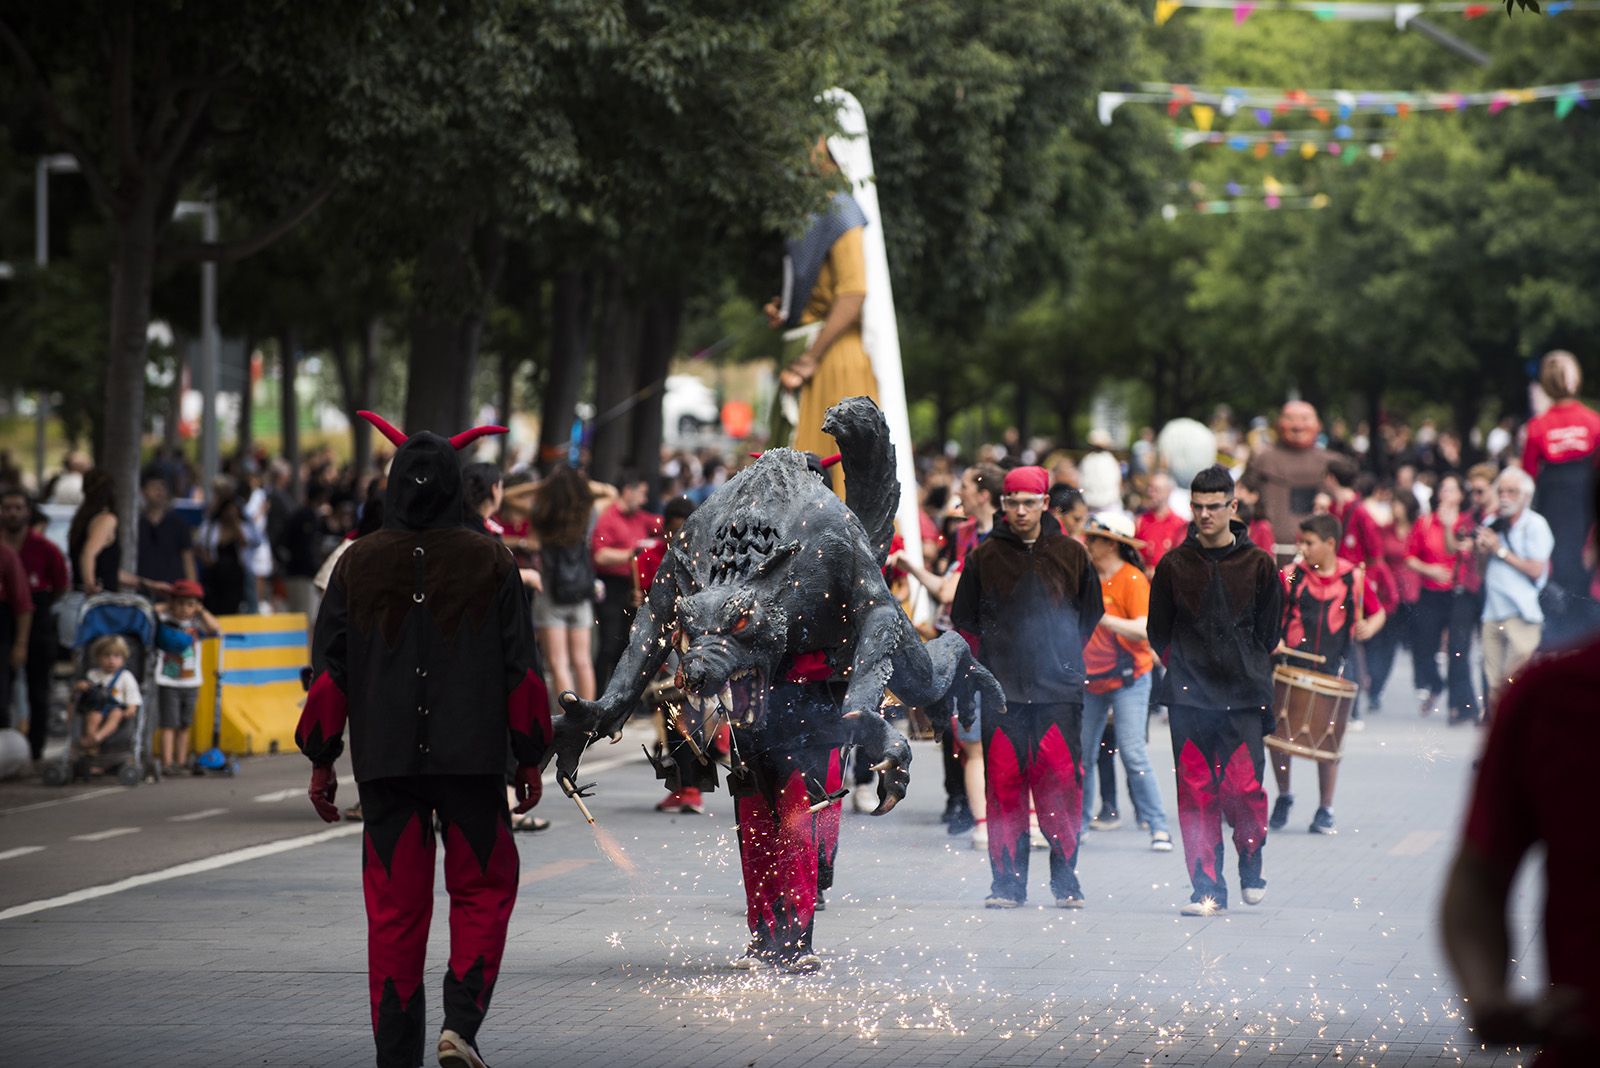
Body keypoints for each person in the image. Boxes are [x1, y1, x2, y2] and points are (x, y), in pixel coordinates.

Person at [296, 411, 549, 1068]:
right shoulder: (492, 558)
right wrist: (530, 756)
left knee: (395, 910)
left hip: (386, 761)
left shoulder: (356, 562)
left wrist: (322, 758)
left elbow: (332, 673)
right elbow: (520, 669)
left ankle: (395, 1056)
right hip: (471, 759)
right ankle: (460, 1025)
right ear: (459, 489)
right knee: (484, 888)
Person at [1440, 498, 1600, 1063]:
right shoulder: (1549, 699)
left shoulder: (1545, 693)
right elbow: (1476, 881)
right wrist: (1488, 999)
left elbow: (1474, 882)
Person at [952, 465, 1104, 908]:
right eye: (1013, 502)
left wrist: (1063, 659)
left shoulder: (1073, 554)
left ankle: (1066, 881)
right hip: (1002, 693)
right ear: (1002, 505)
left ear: (1044, 504)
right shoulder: (984, 557)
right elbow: (966, 621)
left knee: (1060, 785)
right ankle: (1006, 884)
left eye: (1029, 502)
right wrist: (982, 672)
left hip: (1059, 692)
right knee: (1003, 787)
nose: (1021, 511)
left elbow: (1088, 613)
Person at [1148, 465, 1282, 916]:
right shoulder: (1172, 564)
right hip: (1188, 696)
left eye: (1214, 506)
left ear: (1232, 507)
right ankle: (1206, 889)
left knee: (1243, 791)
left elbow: (1269, 633)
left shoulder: (1261, 563)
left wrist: (1243, 666)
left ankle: (1250, 856)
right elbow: (1158, 632)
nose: (1205, 515)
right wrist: (1187, 670)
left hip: (1244, 695)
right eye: (1198, 506)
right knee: (1196, 795)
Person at [764, 138, 878, 498]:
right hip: (812, 354)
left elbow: (852, 293)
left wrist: (810, 359)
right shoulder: (818, 211)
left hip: (830, 360)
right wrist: (786, 308)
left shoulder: (842, 210)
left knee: (825, 480)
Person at [1270, 514, 1385, 836]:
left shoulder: (1354, 578)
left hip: (1333, 668)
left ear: (1330, 543)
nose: (1302, 549)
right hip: (1292, 667)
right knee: (1279, 739)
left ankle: (1325, 808)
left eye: (1309, 543)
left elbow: (1378, 613)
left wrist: (1368, 627)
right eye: (1300, 543)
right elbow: (1271, 613)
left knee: (1328, 741)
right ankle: (1284, 795)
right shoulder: (1291, 576)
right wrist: (1273, 639)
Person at [1078, 514, 1172, 853]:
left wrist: (1100, 617)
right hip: (1091, 680)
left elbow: (1145, 630)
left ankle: (1159, 826)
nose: (1087, 544)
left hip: (1131, 678)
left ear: (1111, 543)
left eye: (1094, 539)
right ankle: (1079, 824)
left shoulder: (1132, 579)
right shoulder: (1086, 576)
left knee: (1133, 753)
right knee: (1082, 756)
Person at [1522, 351, 1600, 646]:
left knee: (1556, 597)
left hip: (1552, 518)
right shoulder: (1593, 422)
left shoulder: (1537, 427)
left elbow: (1527, 482)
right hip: (1585, 517)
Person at [1474, 466, 1554, 716]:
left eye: (1512, 491)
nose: (1505, 496)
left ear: (1526, 496)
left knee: (1514, 681)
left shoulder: (1536, 525)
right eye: (1501, 491)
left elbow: (1535, 569)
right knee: (1494, 685)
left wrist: (1500, 551)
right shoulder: (1491, 523)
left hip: (1522, 614)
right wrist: (1482, 550)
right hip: (1492, 612)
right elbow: (1480, 570)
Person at [1403, 474, 1480, 724]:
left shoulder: (1466, 523)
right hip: (1431, 592)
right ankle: (1435, 684)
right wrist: (1430, 570)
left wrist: (1449, 526)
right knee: (1424, 646)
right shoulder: (1425, 523)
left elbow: (1456, 550)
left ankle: (1461, 705)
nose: (1446, 494)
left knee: (1458, 649)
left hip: (1458, 593)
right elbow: (1410, 556)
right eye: (1443, 489)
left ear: (1460, 495)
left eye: (1451, 489)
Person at [0, 490, 68, 761]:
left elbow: (60, 587)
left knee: (38, 690)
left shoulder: (46, 549)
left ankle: (35, 751)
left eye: (18, 507)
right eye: (7, 508)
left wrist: (24, 640)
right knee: (3, 689)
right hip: (6, 623)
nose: (13, 513)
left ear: (29, 512)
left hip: (37, 621)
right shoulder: (4, 549)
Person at [528, 465, 600, 717]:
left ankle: (567, 718)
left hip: (549, 593)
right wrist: (580, 485)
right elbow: (609, 493)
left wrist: (544, 486)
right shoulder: (587, 514)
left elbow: (508, 497)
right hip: (581, 593)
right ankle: (589, 720)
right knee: (582, 660)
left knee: (558, 663)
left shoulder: (543, 515)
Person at [591, 469, 660, 696]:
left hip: (634, 588)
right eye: (641, 493)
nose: (644, 499)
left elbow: (662, 524)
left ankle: (621, 696)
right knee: (609, 645)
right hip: (612, 586)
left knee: (627, 646)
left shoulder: (640, 517)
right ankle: (599, 693)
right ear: (628, 491)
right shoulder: (608, 518)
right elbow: (600, 555)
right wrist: (631, 553)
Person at [1243, 401, 1336, 547]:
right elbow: (1245, 494)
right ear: (1279, 424)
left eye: (1305, 419)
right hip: (1271, 547)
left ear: (1318, 425)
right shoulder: (1263, 459)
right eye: (1290, 419)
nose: (1298, 426)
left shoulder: (1333, 463)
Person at [153, 579, 218, 775]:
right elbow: (150, 612)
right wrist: (168, 603)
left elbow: (216, 629)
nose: (183, 609)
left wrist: (201, 611)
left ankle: (180, 762)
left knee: (184, 724)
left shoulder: (196, 625)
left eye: (190, 604)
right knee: (168, 724)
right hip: (167, 681)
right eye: (180, 603)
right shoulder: (164, 620)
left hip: (191, 681)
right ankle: (167, 762)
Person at [76, 634, 142, 749]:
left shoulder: (125, 676)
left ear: (123, 659)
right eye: (106, 656)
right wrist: (82, 687)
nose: (111, 660)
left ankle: (98, 737)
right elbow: (85, 691)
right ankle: (92, 742)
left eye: (116, 656)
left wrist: (131, 707)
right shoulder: (93, 674)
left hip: (116, 708)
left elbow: (133, 695)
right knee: (93, 715)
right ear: (98, 658)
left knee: (116, 713)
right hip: (97, 707)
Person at [197, 486, 254, 616]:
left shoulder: (242, 527)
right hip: (215, 574)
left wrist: (235, 523)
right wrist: (206, 558)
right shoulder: (211, 527)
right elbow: (198, 545)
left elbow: (245, 543)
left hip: (234, 576)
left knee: (233, 607)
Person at [136, 470, 197, 587]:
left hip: (172, 589)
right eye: (154, 487)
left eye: (162, 486)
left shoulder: (178, 523)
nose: (159, 491)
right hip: (143, 588)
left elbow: (188, 559)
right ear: (143, 492)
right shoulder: (136, 524)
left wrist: (191, 589)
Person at [0, 534, 32, 732]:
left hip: (2, 636)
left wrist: (21, 643)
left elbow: (23, 605)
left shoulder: (6, 555)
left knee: (3, 696)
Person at [1134, 472, 1187, 574]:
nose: (1150, 493)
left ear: (1168, 492)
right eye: (1149, 488)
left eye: (1156, 490)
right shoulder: (1140, 522)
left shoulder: (1179, 524)